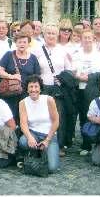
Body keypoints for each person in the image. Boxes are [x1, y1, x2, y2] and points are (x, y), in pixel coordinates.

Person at [32, 23, 72, 156]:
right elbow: (34, 69)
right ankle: (41, 142)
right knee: (43, 116)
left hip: (58, 88)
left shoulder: (63, 50)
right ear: (44, 34)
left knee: (58, 116)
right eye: (48, 33)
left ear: (58, 35)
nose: (51, 36)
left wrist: (63, 78)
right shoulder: (37, 50)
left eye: (53, 33)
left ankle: (58, 144)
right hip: (42, 88)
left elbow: (69, 69)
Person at [72, 29, 100, 156]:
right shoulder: (76, 54)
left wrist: (90, 77)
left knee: (95, 115)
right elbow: (73, 71)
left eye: (89, 38)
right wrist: (79, 77)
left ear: (94, 39)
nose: (87, 40)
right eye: (84, 37)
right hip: (79, 89)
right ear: (81, 39)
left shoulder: (99, 55)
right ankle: (86, 144)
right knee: (83, 117)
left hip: (94, 90)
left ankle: (99, 142)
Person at [18, 75, 60, 174]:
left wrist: (47, 140)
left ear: (40, 88)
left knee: (52, 168)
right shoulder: (23, 103)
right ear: (27, 90)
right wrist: (29, 137)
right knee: (23, 141)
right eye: (31, 87)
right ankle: (35, 151)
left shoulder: (49, 100)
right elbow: (23, 123)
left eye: (36, 86)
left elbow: (56, 121)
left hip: (49, 134)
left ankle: (43, 150)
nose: (33, 90)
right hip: (34, 133)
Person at [0, 32, 41, 124]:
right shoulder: (8, 55)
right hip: (10, 93)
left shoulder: (33, 58)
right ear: (15, 43)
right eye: (19, 42)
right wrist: (11, 76)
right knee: (10, 118)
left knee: (25, 118)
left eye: (24, 42)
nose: (22, 44)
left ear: (28, 44)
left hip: (27, 94)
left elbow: (37, 77)